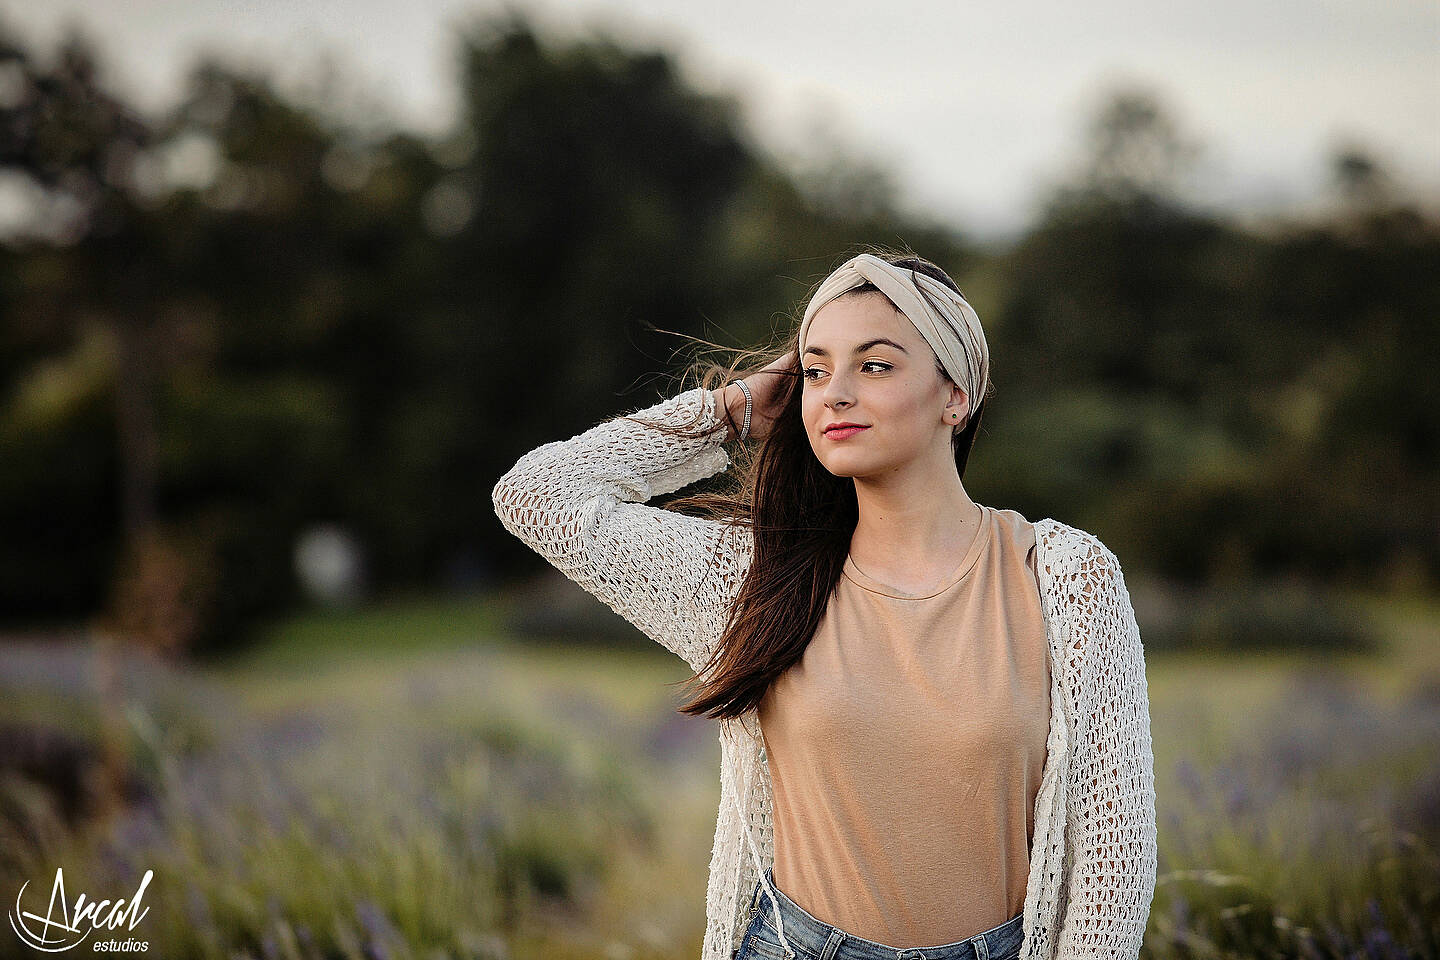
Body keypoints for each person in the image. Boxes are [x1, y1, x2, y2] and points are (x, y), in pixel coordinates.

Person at [492, 245, 1157, 960]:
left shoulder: (1064, 575)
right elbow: (535, 494)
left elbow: (1113, 852)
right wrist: (730, 410)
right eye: (814, 371)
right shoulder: (754, 578)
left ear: (955, 396)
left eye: (875, 366)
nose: (834, 393)